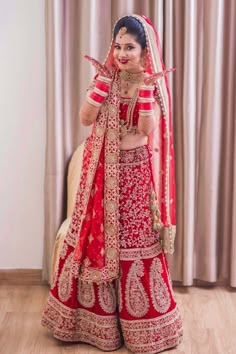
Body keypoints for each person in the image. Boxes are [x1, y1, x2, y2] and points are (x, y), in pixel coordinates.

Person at [41, 14, 183, 354]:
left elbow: (147, 131)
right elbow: (86, 119)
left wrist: (145, 91)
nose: (121, 53)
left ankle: (142, 331)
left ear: (145, 51)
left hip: (133, 174)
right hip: (99, 171)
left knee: (135, 241)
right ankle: (92, 325)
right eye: (117, 46)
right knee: (95, 238)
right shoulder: (105, 78)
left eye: (129, 47)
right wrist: (101, 89)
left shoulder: (151, 84)